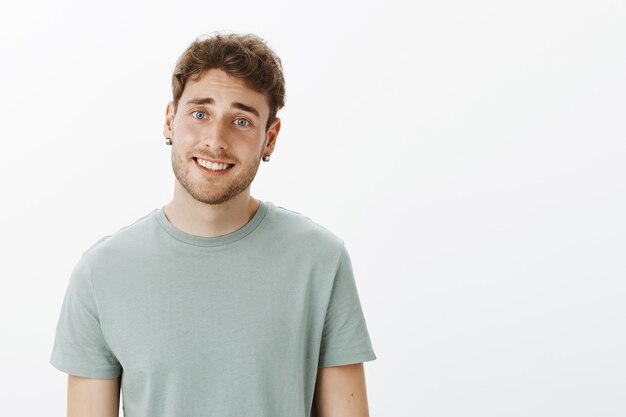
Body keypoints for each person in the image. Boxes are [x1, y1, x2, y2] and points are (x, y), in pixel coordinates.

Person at [49, 32, 376, 417]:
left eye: (241, 120)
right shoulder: (100, 273)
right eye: (200, 113)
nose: (215, 140)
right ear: (170, 120)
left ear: (269, 138)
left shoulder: (321, 261)